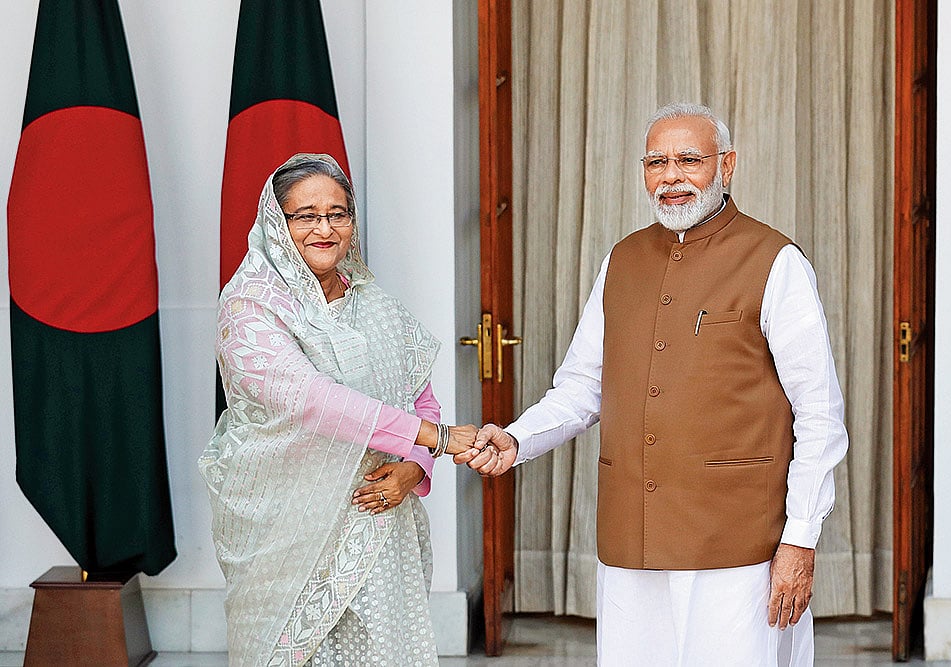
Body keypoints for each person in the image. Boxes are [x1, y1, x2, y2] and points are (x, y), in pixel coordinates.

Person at [459, 103, 849, 665]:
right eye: (656, 163)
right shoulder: (622, 260)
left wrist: (801, 537)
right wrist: (516, 439)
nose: (671, 177)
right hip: (631, 536)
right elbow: (581, 388)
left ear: (726, 165)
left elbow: (819, 414)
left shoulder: (775, 260)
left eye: (689, 160)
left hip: (739, 541)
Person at [200, 153, 475, 666]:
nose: (324, 229)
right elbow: (313, 401)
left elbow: (420, 395)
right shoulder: (250, 307)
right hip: (288, 532)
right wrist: (434, 438)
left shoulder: (377, 305)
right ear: (276, 223)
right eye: (305, 216)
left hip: (378, 522)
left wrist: (415, 467)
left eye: (337, 214)